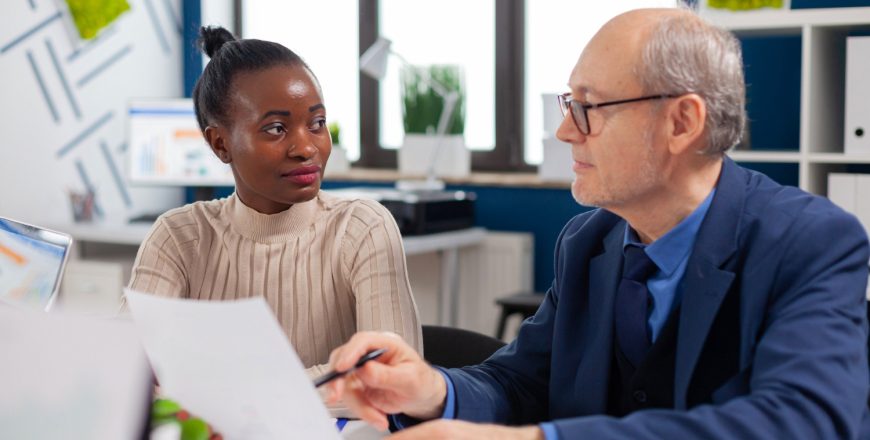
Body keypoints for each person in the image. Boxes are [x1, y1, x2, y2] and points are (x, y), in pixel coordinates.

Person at [325, 7, 870, 439]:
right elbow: (521, 382)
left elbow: (805, 423)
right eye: (568, 103)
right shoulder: (590, 241)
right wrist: (432, 389)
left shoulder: (811, 242)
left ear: (682, 121)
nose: (565, 131)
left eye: (587, 106)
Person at [127, 26, 423, 378]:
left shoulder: (362, 228)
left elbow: (392, 373)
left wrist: (230, 388)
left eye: (317, 123)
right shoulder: (178, 237)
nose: (306, 148)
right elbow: (127, 366)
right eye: (276, 129)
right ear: (220, 144)